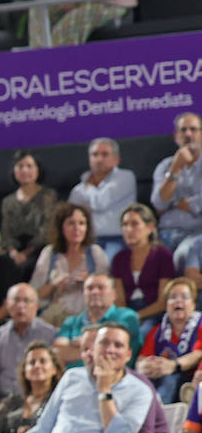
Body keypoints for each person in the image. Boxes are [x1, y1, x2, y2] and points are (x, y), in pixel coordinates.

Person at [22, 321, 152, 433]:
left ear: (128, 355)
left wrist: (104, 390)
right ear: (93, 349)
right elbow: (44, 428)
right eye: (104, 343)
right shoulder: (71, 376)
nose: (110, 350)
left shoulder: (141, 391)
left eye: (118, 345)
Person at [0, 283, 56, 409]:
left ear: (36, 306)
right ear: (7, 305)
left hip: (39, 402)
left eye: (26, 301)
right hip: (2, 402)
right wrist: (0, 408)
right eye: (16, 301)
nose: (21, 306)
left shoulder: (50, 335)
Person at [32, 201, 111, 324]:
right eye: (71, 223)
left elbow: (109, 293)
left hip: (87, 317)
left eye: (81, 223)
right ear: (61, 227)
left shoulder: (95, 253)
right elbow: (35, 295)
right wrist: (54, 284)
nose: (77, 228)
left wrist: (89, 281)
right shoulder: (50, 253)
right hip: (54, 315)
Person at [68, 136, 137, 259]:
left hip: (117, 240)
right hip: (87, 241)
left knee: (107, 266)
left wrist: (88, 186)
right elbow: (71, 217)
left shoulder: (125, 177)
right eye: (94, 155)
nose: (99, 159)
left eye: (105, 154)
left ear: (117, 160)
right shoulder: (77, 190)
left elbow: (100, 203)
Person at [54, 271, 142, 367]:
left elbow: (113, 354)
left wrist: (81, 343)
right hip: (74, 379)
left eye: (101, 288)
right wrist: (98, 346)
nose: (95, 292)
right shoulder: (71, 322)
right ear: (83, 294)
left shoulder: (127, 316)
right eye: (90, 288)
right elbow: (58, 352)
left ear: (114, 294)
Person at [137, 278, 202, 403]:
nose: (178, 300)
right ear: (166, 305)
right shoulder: (157, 331)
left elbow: (198, 354)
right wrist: (145, 366)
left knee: (170, 378)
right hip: (158, 376)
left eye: (184, 297)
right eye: (173, 297)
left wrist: (172, 365)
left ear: (193, 304)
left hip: (189, 379)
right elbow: (142, 358)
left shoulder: (200, 325)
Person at [112, 202, 174, 321]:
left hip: (155, 313)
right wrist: (127, 317)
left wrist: (137, 316)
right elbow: (120, 300)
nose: (128, 229)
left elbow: (162, 301)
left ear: (150, 227)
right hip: (128, 312)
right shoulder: (119, 258)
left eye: (134, 224)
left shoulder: (163, 255)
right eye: (125, 225)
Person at [150, 112, 202, 250]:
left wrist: (185, 204)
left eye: (193, 129)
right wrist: (176, 167)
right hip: (165, 233)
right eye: (183, 130)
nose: (188, 134)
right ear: (176, 136)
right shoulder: (165, 166)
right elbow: (159, 204)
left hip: (197, 233)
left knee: (186, 252)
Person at [0, 149, 59, 267]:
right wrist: (13, 252)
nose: (25, 170)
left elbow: (47, 230)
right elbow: (6, 232)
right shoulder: (8, 201)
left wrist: (26, 254)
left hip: (41, 249)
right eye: (20, 166)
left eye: (29, 166)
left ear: (38, 169)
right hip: (15, 251)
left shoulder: (48, 196)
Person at [0, 341, 63, 433]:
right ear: (25, 371)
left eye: (43, 361)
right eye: (32, 362)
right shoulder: (12, 401)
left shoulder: (58, 401)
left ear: (54, 369)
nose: (37, 366)